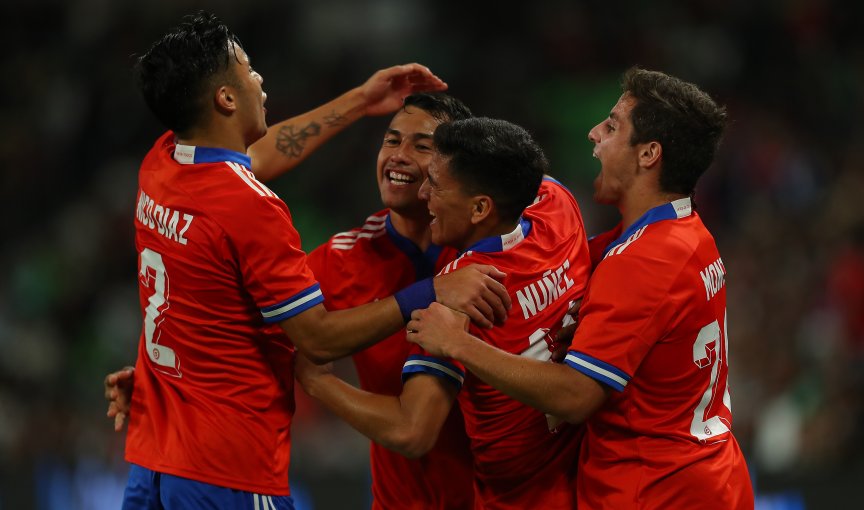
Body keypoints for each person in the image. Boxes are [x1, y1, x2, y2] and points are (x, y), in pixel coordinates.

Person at [119, 11, 509, 509]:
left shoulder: (163, 161)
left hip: (158, 452)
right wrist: (430, 293)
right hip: (229, 466)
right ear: (226, 97)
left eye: (421, 145)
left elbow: (247, 166)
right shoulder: (276, 222)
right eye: (249, 70)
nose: (261, 80)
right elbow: (317, 338)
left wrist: (363, 100)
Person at [406, 67, 755, 509]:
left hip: (657, 491)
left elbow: (576, 396)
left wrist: (458, 344)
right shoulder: (686, 231)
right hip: (709, 474)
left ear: (649, 154)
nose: (593, 134)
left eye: (612, 126)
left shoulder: (642, 261)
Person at [295, 116, 592, 509]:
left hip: (514, 498)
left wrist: (316, 383)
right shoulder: (557, 206)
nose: (423, 195)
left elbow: (411, 431)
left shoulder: (461, 295)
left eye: (435, 185)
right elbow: (518, 163)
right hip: (581, 480)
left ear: (480, 207)